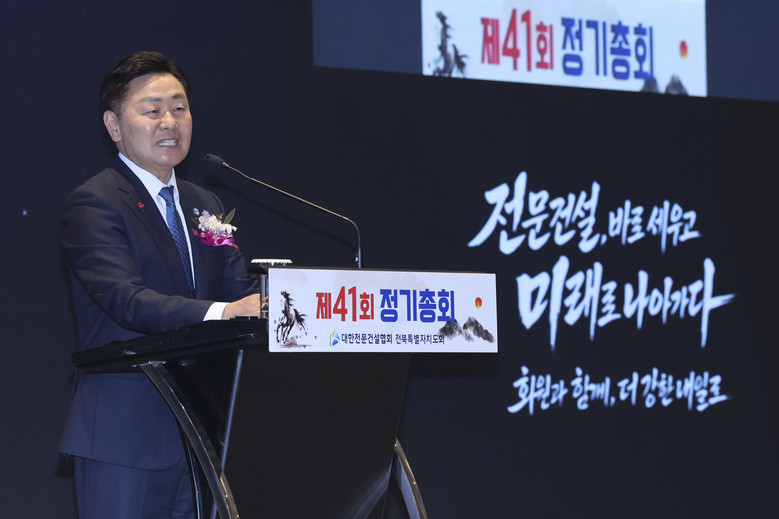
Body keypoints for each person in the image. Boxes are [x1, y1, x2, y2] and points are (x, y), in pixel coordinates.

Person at [59, 51, 261, 518]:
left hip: (203, 435)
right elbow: (127, 301)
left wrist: (282, 300)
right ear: (114, 125)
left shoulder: (204, 203)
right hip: (126, 437)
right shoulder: (94, 203)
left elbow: (237, 286)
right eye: (152, 111)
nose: (170, 122)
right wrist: (223, 313)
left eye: (179, 108)